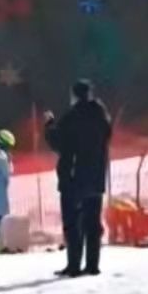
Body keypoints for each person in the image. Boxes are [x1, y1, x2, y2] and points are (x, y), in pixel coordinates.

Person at [44, 79, 112, 277]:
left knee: (73, 224)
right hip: (96, 178)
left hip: (74, 178)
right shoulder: (102, 116)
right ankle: (92, 265)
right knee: (93, 224)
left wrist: (49, 125)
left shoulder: (72, 117)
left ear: (74, 95)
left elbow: (59, 142)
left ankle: (74, 265)